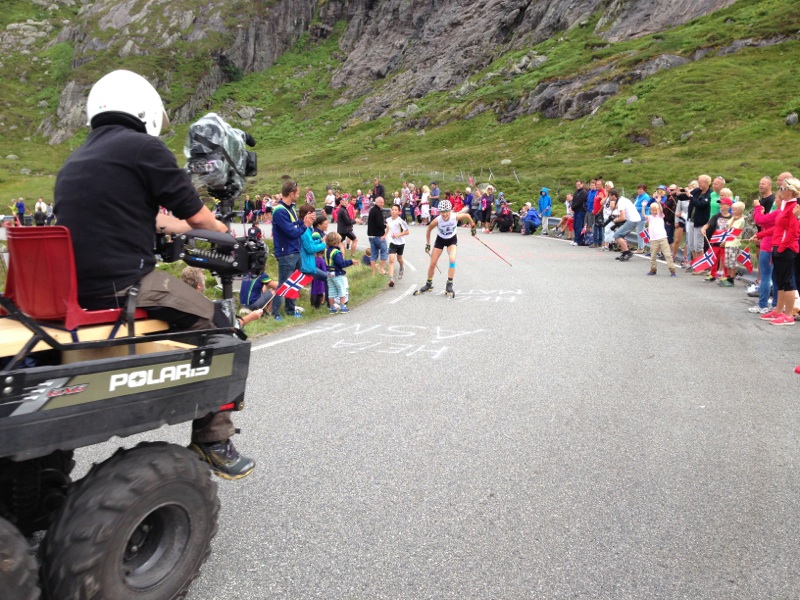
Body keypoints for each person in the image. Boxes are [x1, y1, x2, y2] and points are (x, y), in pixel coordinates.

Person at [53, 69, 253, 478]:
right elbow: (196, 214)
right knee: (219, 324)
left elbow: (140, 219)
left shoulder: (78, 158)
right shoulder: (144, 148)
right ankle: (213, 438)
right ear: (142, 108)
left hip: (74, 290)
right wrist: (224, 234)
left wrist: (179, 228)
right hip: (124, 286)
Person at [415, 199, 476, 298]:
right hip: (440, 240)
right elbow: (428, 230)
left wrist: (472, 227)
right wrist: (428, 244)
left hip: (452, 240)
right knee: (433, 263)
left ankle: (449, 284)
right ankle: (429, 284)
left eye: (447, 212)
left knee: (452, 259)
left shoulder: (454, 216)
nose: (445, 214)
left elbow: (468, 216)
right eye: (442, 212)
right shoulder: (437, 220)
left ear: (450, 211)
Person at [760, 178, 800, 325]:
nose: (780, 191)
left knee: (787, 281)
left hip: (787, 247)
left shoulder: (794, 206)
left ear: (790, 191)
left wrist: (782, 247)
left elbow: (793, 230)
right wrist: (761, 235)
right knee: (779, 280)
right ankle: (778, 310)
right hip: (779, 245)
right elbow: (778, 227)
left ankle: (788, 315)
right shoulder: (785, 205)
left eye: (783, 189)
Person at [270, 179, 307, 321]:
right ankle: (275, 313)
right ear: (291, 193)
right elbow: (291, 231)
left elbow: (295, 224)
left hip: (295, 250)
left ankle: (290, 310)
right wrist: (305, 226)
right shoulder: (279, 211)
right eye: (297, 193)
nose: (298, 195)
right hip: (286, 252)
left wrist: (303, 222)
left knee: (295, 282)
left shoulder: (290, 208)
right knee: (284, 282)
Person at [717, 198, 746, 287]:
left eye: (734, 210)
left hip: (734, 243)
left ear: (740, 211)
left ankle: (731, 279)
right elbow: (726, 227)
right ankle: (728, 277)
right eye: (732, 209)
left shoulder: (740, 220)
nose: (732, 212)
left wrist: (733, 220)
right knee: (727, 262)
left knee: (732, 262)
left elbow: (730, 229)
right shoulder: (734, 218)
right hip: (729, 242)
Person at [324, 232, 353, 314]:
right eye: (340, 241)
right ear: (336, 242)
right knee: (342, 290)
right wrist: (351, 262)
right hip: (337, 273)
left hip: (329, 273)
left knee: (331, 291)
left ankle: (332, 307)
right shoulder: (336, 252)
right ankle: (343, 306)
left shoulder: (327, 251)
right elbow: (341, 263)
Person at [645, 201, 676, 276]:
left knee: (667, 254)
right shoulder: (650, 217)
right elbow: (643, 215)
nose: (654, 212)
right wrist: (643, 207)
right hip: (653, 239)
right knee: (653, 255)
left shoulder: (660, 215)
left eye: (656, 210)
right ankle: (653, 269)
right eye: (653, 210)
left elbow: (661, 211)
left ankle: (672, 270)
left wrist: (659, 203)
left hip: (662, 238)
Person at [609, 188, 641, 261]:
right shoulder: (622, 200)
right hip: (634, 219)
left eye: (609, 196)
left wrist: (615, 220)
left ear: (614, 196)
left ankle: (627, 252)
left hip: (632, 220)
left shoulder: (620, 202)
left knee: (617, 235)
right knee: (620, 236)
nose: (609, 198)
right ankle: (624, 253)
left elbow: (623, 217)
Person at [386, 204, 409, 288]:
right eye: (392, 209)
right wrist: (384, 235)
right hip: (391, 243)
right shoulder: (388, 220)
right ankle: (391, 279)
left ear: (399, 212)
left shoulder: (401, 221)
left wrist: (398, 235)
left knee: (399, 259)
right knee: (391, 260)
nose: (393, 211)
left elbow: (407, 232)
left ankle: (402, 267)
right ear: (390, 211)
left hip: (400, 243)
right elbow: (388, 229)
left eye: (395, 210)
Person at [367, 196, 389, 275]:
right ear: (377, 202)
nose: (382, 204)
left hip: (371, 236)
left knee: (373, 254)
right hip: (378, 236)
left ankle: (373, 273)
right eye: (381, 202)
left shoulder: (372, 210)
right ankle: (381, 270)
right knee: (384, 252)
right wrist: (385, 226)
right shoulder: (378, 211)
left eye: (383, 202)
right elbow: (379, 224)